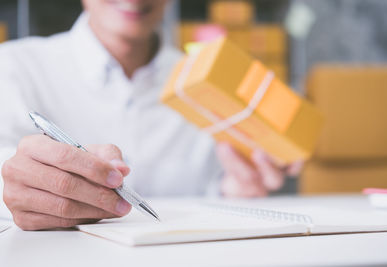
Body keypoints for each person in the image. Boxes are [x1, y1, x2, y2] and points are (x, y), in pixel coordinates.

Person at [0, 0, 302, 230]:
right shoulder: (15, 67)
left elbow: (213, 192)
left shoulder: (203, 83)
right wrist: (17, 188)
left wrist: (236, 190)